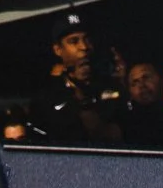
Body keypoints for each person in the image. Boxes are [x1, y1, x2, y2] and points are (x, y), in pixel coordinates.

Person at [32, 12, 123, 143]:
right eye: (74, 41)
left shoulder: (110, 84)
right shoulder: (48, 94)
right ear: (58, 49)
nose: (84, 47)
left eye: (87, 39)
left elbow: (113, 136)